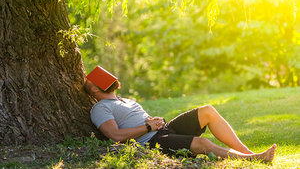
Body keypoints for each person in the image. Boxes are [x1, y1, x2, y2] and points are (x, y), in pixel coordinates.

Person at [84, 78, 276, 162]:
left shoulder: (122, 99)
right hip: (152, 142)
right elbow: (115, 135)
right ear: (94, 89)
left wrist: (152, 121)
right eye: (96, 79)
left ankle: (246, 152)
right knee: (203, 143)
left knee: (207, 111)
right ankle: (253, 159)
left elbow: (136, 120)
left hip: (162, 129)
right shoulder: (100, 108)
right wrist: (147, 126)